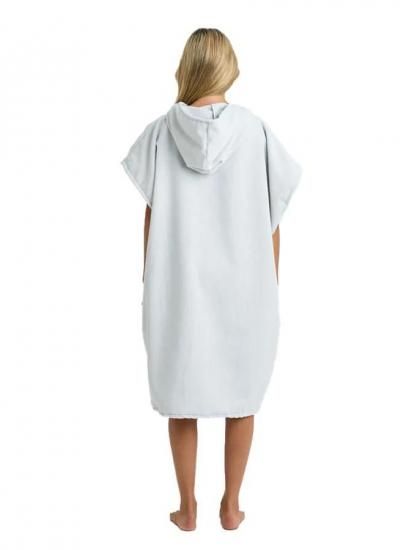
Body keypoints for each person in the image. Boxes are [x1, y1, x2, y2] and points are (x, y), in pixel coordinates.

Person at [121, 28, 302, 531]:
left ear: (188, 66)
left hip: (180, 289)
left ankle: (187, 507)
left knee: (182, 397)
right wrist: (271, 282)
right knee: (241, 396)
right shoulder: (257, 132)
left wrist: (149, 280)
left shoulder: (161, 133)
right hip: (246, 288)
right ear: (228, 67)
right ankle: (231, 505)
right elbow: (273, 216)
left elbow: (151, 215)